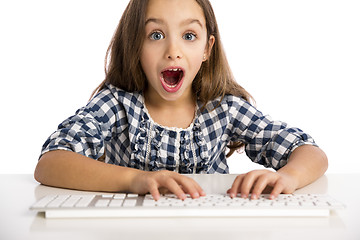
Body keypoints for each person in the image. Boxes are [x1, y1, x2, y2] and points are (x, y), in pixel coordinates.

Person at [34, 0, 328, 201]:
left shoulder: (224, 108)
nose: (173, 50)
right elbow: (50, 163)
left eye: (189, 35)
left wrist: (289, 176)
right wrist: (135, 180)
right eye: (156, 34)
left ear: (206, 48)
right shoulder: (117, 105)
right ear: (135, 45)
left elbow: (311, 153)